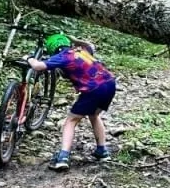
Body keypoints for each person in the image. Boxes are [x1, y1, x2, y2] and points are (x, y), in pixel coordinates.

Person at [27, 33, 117, 171]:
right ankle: (102, 150)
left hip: (93, 89)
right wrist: (75, 40)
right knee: (94, 115)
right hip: (109, 84)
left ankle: (63, 157)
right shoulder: (82, 50)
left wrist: (30, 59)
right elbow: (89, 45)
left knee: (71, 120)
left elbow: (38, 66)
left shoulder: (62, 57)